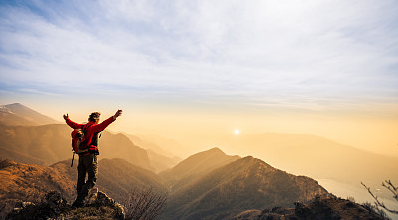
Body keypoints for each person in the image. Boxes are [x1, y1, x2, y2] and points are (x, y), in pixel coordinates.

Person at [63, 109, 122, 207]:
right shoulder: (94, 127)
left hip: (81, 156)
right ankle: (80, 201)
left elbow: (73, 125)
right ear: (97, 120)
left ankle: (79, 198)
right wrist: (114, 117)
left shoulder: (82, 126)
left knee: (81, 178)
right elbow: (104, 124)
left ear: (89, 118)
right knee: (92, 178)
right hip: (90, 156)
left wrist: (67, 119)